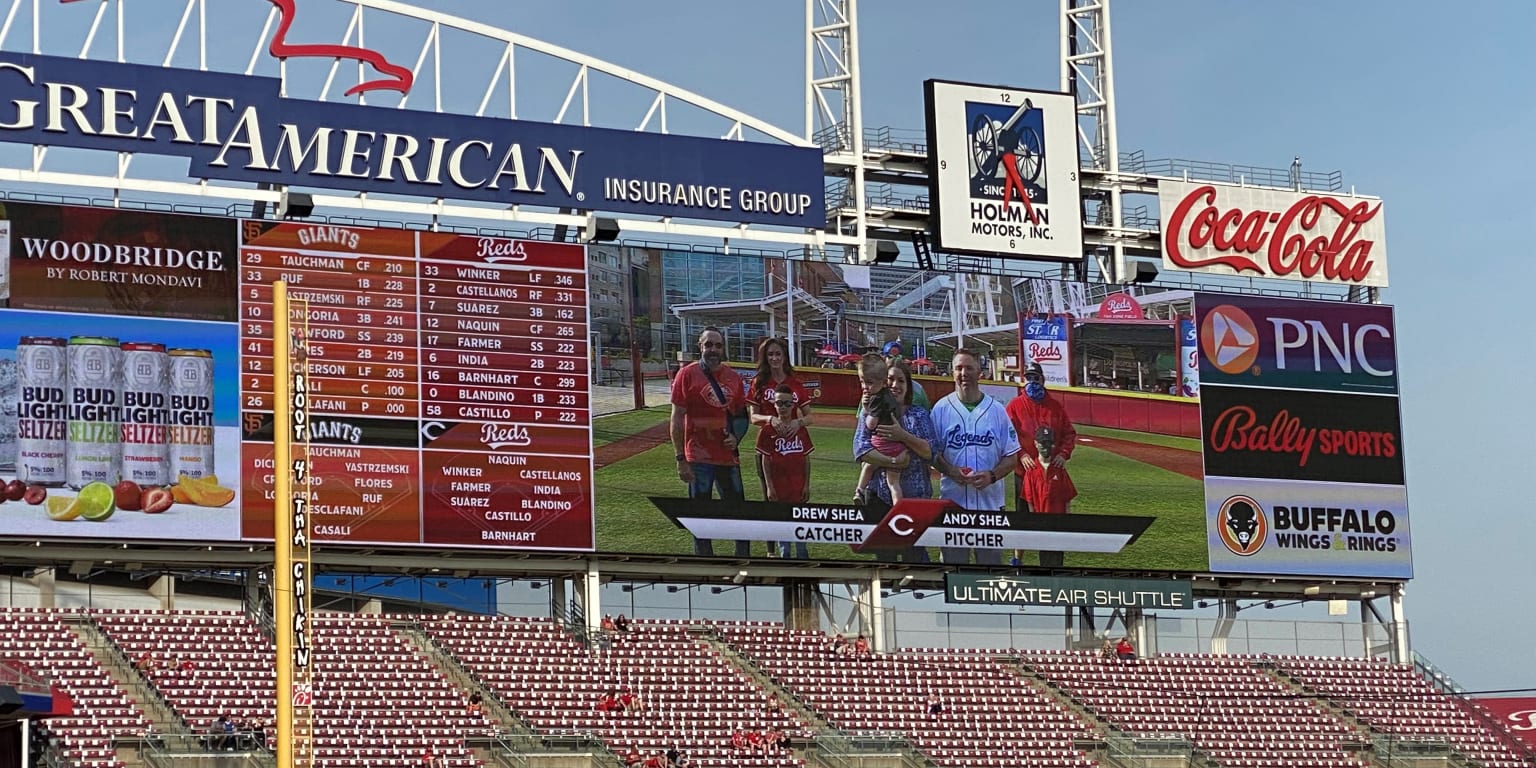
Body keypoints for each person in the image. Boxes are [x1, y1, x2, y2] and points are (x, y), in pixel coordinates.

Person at [929, 348, 1021, 565]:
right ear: (952, 372)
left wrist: (992, 475)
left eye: (969, 368)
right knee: (952, 570)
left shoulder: (997, 411)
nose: (963, 373)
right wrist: (951, 471)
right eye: (958, 368)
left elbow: (1012, 457)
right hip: (953, 504)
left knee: (989, 574)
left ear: (979, 371)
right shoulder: (941, 409)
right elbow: (932, 454)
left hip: (990, 506)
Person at [670, 326, 750, 556]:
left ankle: (743, 561)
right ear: (700, 346)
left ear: (723, 349)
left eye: (717, 345)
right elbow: (676, 419)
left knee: (739, 514)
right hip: (698, 456)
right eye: (708, 345)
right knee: (700, 519)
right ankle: (705, 564)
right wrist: (680, 458)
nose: (713, 349)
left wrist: (736, 437)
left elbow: (741, 416)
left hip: (727, 458)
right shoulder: (686, 374)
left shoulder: (733, 378)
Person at [853, 359, 938, 563]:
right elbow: (860, 449)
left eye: (901, 380)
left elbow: (931, 451)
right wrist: (894, 461)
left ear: (908, 386)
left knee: (915, 559)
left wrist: (903, 436)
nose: (895, 385)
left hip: (915, 499)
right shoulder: (870, 409)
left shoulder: (918, 414)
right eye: (890, 379)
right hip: (879, 498)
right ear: (883, 382)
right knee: (885, 560)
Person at [1005, 362, 1078, 567]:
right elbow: (1007, 435)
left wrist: (1063, 454)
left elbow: (1069, 434)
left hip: (1051, 472)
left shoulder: (1055, 406)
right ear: (1023, 380)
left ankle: (1052, 564)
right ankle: (1017, 560)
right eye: (1028, 378)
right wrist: (1020, 454)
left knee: (1052, 518)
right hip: (1024, 472)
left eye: (1036, 378)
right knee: (1023, 518)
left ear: (1042, 380)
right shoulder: (1015, 405)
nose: (1032, 382)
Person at [755, 386, 814, 559]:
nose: (783, 407)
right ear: (774, 405)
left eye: (787, 403)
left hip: (797, 485)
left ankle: (803, 560)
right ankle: (785, 559)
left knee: (800, 526)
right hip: (779, 487)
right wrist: (769, 486)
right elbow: (765, 460)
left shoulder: (800, 430)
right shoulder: (767, 430)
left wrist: (806, 485)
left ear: (793, 405)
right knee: (782, 527)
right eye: (779, 403)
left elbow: (806, 458)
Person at [853, 354, 908, 504]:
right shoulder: (889, 396)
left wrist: (866, 409)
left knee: (868, 465)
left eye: (869, 383)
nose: (865, 387)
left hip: (883, 442)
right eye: (862, 382)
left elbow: (871, 424)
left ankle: (859, 490)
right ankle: (899, 506)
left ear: (883, 383)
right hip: (897, 446)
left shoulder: (877, 399)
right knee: (894, 483)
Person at [882, 340, 929, 408]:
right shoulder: (875, 386)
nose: (894, 360)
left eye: (898, 356)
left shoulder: (917, 388)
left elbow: (926, 411)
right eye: (890, 357)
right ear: (884, 359)